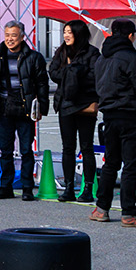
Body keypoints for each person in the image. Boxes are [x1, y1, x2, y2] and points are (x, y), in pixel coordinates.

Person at [92, 17, 136, 227]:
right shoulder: (131, 58)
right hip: (130, 114)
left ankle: (101, 208)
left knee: (111, 162)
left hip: (109, 115)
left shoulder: (102, 58)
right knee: (131, 164)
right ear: (130, 36)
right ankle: (129, 212)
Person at [0, 20, 49, 200]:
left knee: (26, 150)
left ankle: (27, 188)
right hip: (4, 107)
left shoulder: (34, 57)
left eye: (14, 35)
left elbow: (42, 84)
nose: (10, 39)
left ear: (22, 36)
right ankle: (6, 186)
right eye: (7, 35)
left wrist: (41, 108)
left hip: (25, 107)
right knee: (5, 150)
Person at [47, 18, 99, 203]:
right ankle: (69, 187)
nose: (66, 35)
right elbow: (53, 72)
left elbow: (95, 76)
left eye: (70, 32)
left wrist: (75, 73)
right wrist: (72, 71)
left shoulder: (92, 53)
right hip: (65, 104)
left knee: (86, 147)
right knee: (67, 148)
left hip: (85, 104)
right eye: (64, 32)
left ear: (79, 34)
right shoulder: (61, 52)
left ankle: (88, 188)